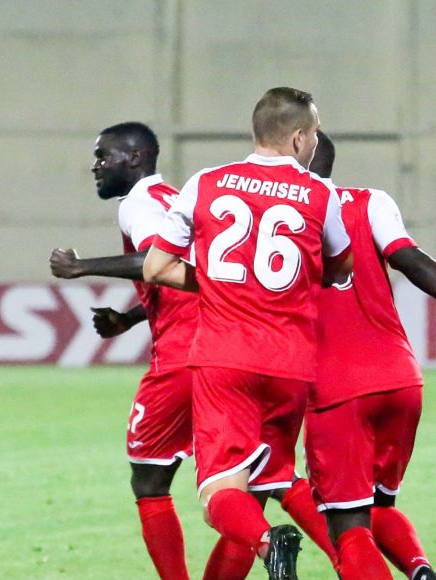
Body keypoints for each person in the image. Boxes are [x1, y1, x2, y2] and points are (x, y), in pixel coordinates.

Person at [143, 87, 353, 580]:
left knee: (220, 494)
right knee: (268, 479)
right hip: (290, 365)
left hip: (225, 358)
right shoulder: (320, 194)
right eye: (314, 134)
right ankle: (352, 559)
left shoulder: (204, 183)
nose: (314, 142)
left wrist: (223, 283)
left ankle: (267, 542)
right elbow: (341, 268)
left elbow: (156, 267)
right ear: (298, 137)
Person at [300, 133, 436, 579]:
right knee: (380, 505)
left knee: (348, 528)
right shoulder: (370, 201)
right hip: (400, 379)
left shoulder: (279, 214)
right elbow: (410, 259)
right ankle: (419, 570)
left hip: (336, 387)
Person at [49, 122, 197, 580]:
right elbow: (188, 276)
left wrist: (81, 267)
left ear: (135, 158)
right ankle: (317, 551)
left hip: (183, 356)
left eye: (103, 156)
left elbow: (158, 263)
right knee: (258, 477)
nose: (95, 166)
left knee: (149, 480)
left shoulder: (139, 203)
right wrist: (131, 318)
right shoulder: (172, 198)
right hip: (225, 348)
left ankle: (263, 545)